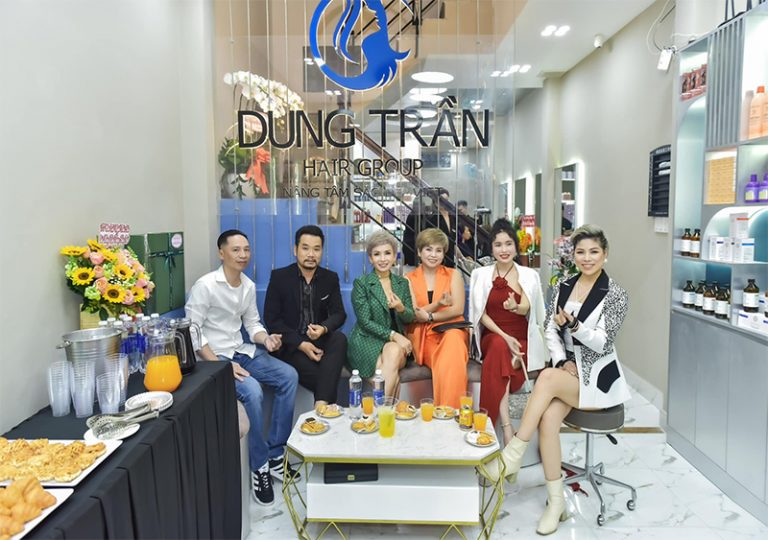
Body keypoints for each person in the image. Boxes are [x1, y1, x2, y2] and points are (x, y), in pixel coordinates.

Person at [484, 225, 631, 536]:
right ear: (573, 255)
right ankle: (556, 503)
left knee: (547, 377)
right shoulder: (564, 286)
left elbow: (603, 343)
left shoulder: (616, 294)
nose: (587, 258)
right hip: (567, 373)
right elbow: (550, 329)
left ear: (605, 254)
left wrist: (575, 327)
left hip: (597, 378)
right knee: (548, 421)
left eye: (594, 252)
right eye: (581, 252)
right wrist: (563, 360)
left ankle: (512, 455)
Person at [185, 229, 299, 507]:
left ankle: (276, 453)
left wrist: (266, 339)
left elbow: (252, 324)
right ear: (221, 253)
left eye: (246, 249)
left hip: (241, 351)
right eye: (236, 250)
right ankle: (259, 466)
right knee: (252, 391)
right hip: (213, 358)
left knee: (288, 376)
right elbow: (192, 331)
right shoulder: (205, 286)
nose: (243, 255)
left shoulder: (247, 285)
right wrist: (220, 366)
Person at [469, 218, 547, 444]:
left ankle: (490, 425)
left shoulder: (529, 275)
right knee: (499, 346)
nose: (504, 250)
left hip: (523, 338)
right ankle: (506, 425)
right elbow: (480, 314)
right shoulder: (480, 275)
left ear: (515, 245)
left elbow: (528, 308)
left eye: (508, 244)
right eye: (498, 245)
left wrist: (515, 307)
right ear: (491, 248)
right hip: (493, 335)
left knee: (501, 357)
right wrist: (505, 337)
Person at [264, 225, 347, 408]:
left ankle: (320, 407)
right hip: (290, 344)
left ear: (322, 251)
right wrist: (301, 344)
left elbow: (339, 314)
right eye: (305, 248)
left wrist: (323, 328)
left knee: (339, 339)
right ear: (295, 250)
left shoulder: (330, 278)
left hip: (318, 339)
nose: (311, 254)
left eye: (316, 249)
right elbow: (272, 320)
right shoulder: (279, 277)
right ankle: (323, 406)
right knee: (323, 377)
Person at [405, 228, 468, 408]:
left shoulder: (453, 275)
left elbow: (457, 309)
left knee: (453, 344)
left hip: (453, 329)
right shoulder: (408, 279)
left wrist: (430, 316)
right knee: (447, 359)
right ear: (419, 252)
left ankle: (446, 410)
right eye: (428, 249)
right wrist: (438, 305)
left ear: (444, 253)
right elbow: (412, 313)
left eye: (438, 250)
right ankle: (451, 412)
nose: (433, 255)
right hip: (425, 337)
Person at [347, 231, 415, 397]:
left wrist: (401, 308)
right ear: (370, 258)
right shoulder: (362, 283)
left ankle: (379, 409)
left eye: (387, 253)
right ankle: (384, 410)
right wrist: (394, 335)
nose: (382, 259)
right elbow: (365, 322)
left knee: (393, 351)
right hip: (366, 341)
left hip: (393, 345)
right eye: (377, 254)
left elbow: (410, 317)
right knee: (393, 376)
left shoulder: (402, 283)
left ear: (394, 256)